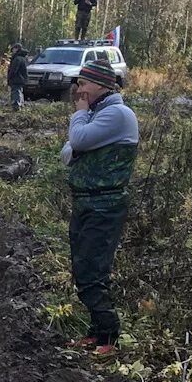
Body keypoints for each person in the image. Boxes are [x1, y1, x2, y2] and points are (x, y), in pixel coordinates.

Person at [59, 60, 138, 355]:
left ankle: (109, 338)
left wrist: (79, 116)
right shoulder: (98, 115)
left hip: (104, 205)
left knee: (93, 271)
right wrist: (81, 130)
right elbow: (67, 153)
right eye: (78, 84)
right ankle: (96, 332)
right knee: (83, 268)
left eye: (83, 85)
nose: (79, 91)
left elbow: (76, 140)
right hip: (87, 202)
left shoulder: (117, 114)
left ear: (103, 85)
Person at [5, 43, 29, 110]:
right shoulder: (23, 58)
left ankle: (16, 106)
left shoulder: (17, 59)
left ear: (17, 49)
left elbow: (14, 70)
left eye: (13, 49)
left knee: (15, 91)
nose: (12, 50)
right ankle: (21, 104)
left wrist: (9, 77)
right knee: (20, 91)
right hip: (21, 78)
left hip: (17, 78)